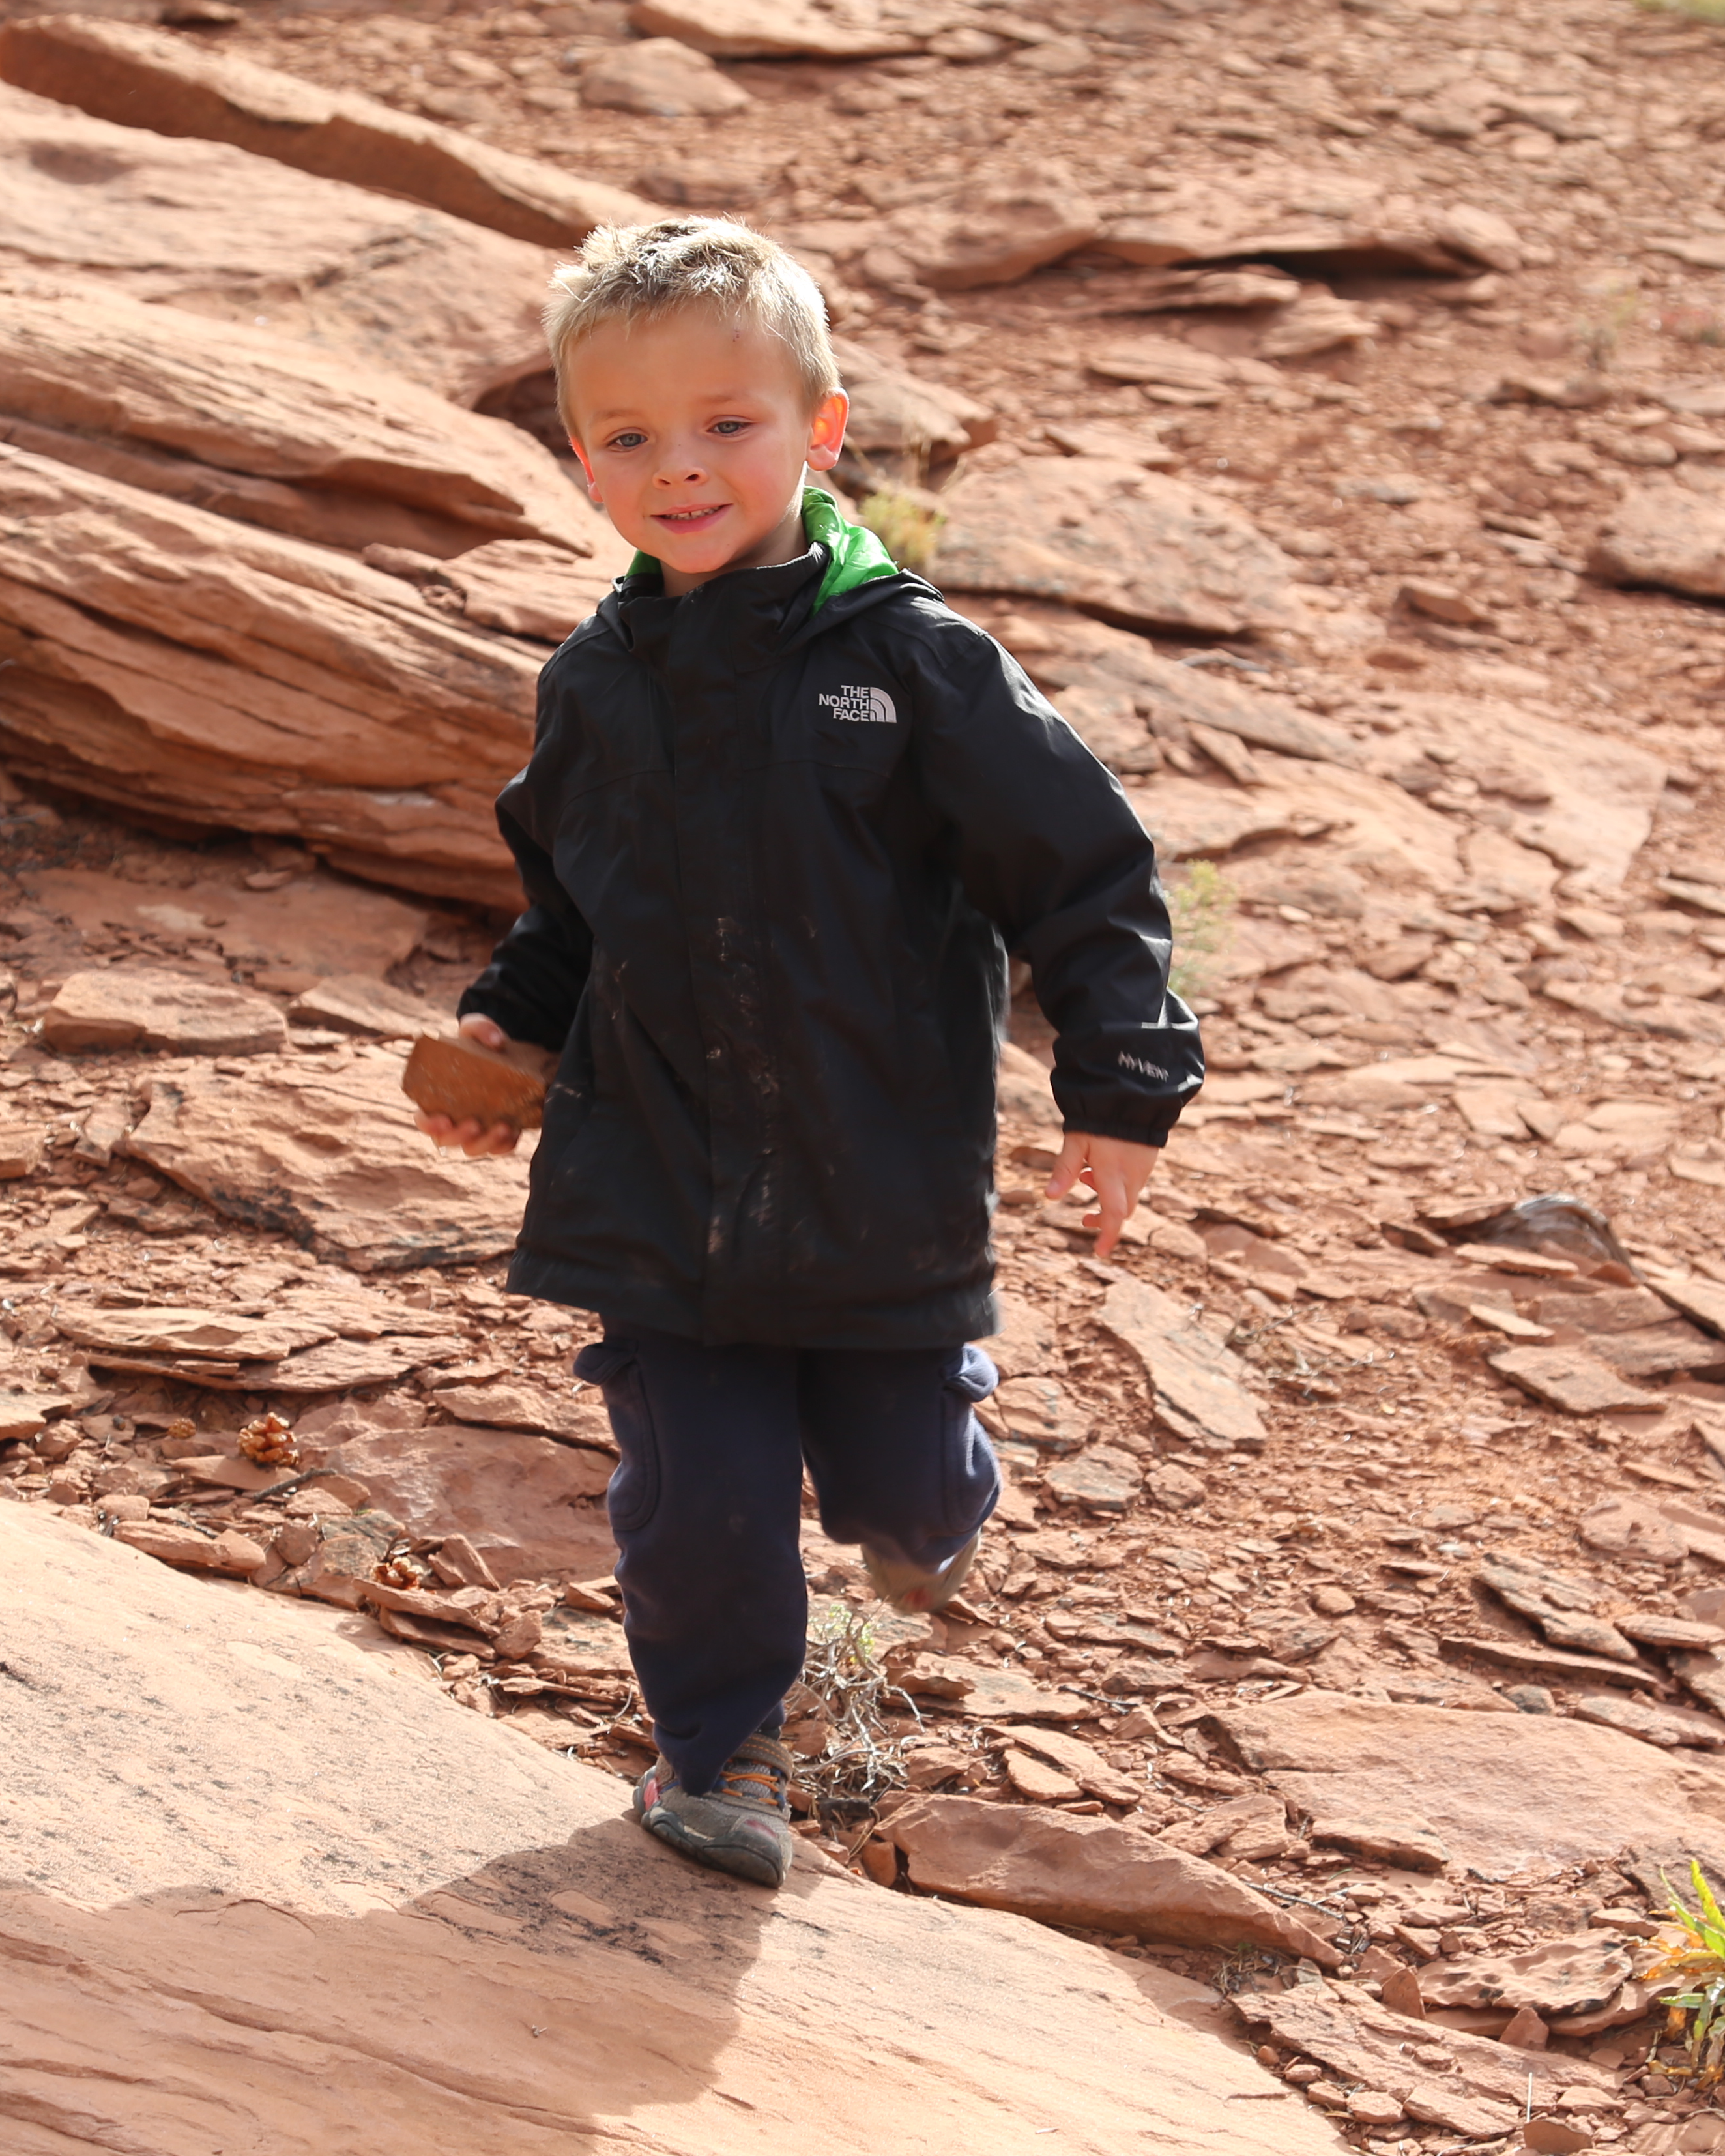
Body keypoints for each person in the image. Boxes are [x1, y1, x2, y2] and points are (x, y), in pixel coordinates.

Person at [416, 216, 1202, 1891]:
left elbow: (1084, 873)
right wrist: (512, 1022)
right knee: (695, 1491)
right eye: (629, 437)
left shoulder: (914, 665)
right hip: (657, 1178)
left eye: (727, 423)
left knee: (902, 1504)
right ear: (581, 459)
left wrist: (1122, 1084)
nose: (679, 468)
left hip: (880, 1183)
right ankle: (719, 1753)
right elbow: (574, 912)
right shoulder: (594, 687)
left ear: (821, 426)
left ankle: (932, 1469)